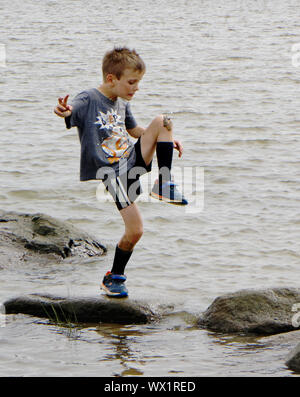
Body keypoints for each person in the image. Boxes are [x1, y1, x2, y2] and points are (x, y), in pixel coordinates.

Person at [54, 47, 188, 298]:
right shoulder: (89, 98)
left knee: (164, 121)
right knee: (135, 230)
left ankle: (164, 183)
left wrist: (165, 138)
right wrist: (64, 110)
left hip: (130, 159)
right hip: (112, 173)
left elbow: (135, 130)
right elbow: (71, 110)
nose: (136, 88)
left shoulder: (122, 102)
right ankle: (114, 277)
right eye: (131, 82)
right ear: (111, 79)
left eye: (138, 83)